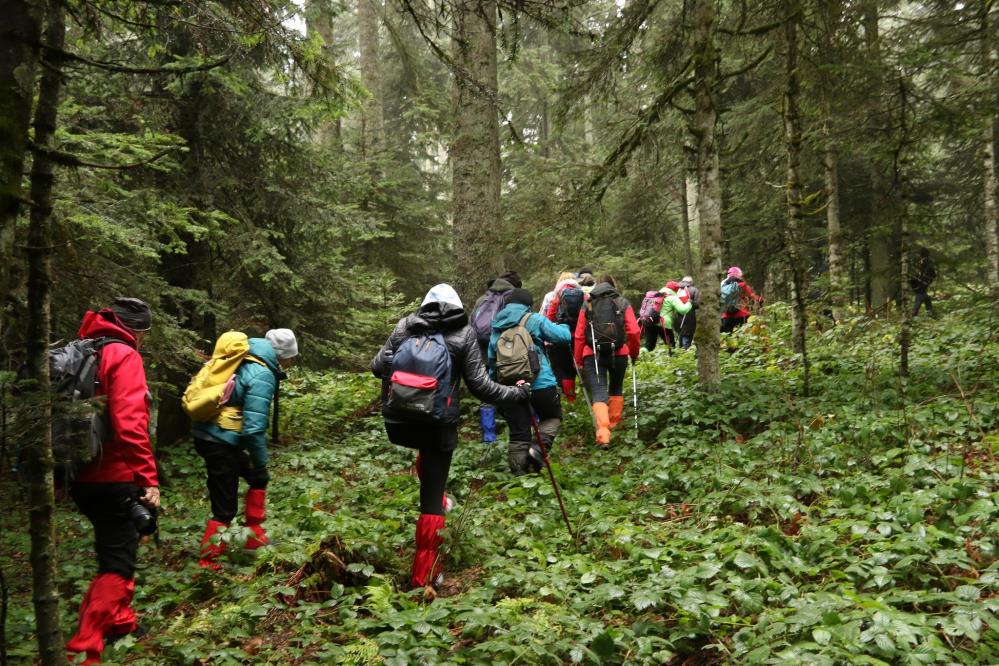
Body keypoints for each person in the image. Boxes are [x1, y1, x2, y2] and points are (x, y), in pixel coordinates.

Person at [372, 284, 529, 588]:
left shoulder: (406, 325)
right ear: (458, 307)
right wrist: (516, 393)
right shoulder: (463, 333)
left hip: (399, 421)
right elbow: (481, 387)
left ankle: (442, 501)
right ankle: (425, 575)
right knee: (429, 498)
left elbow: (377, 366)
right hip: (437, 424)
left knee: (428, 469)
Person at [66, 298, 160, 664]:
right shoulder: (123, 355)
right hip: (114, 475)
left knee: (114, 545)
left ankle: (121, 621)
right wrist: (147, 478)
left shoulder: (84, 349)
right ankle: (86, 644)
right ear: (135, 329)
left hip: (80, 473)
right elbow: (129, 423)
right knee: (118, 562)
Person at [193, 328, 298, 570]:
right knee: (225, 505)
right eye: (292, 357)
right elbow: (253, 428)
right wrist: (260, 462)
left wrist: (257, 469)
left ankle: (254, 537)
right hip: (219, 441)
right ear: (283, 356)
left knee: (256, 479)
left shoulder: (246, 360)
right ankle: (208, 563)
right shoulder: (262, 373)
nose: (292, 362)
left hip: (215, 436)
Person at [487, 288, 572, 474]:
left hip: (509, 387)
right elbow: (563, 337)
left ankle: (519, 474)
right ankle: (537, 449)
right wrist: (564, 326)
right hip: (541, 383)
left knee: (518, 433)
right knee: (552, 417)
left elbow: (492, 361)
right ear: (528, 304)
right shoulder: (533, 319)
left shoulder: (496, 327)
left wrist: (498, 387)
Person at [573, 276, 641, 447]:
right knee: (616, 389)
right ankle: (613, 427)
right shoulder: (622, 302)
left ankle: (603, 434)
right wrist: (634, 353)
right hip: (619, 353)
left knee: (598, 392)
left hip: (592, 354)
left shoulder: (587, 303)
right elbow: (633, 331)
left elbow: (579, 335)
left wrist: (578, 359)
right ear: (613, 286)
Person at [471, 271, 521, 444]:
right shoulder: (514, 300)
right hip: (510, 356)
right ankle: (517, 433)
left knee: (487, 394)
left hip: (484, 355)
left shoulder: (482, 300)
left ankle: (488, 437)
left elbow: (473, 327)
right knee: (514, 390)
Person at [544, 273, 584, 401]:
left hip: (561, 337)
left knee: (566, 371)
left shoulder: (554, 295)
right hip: (579, 337)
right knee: (580, 367)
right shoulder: (582, 293)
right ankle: (589, 397)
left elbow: (549, 317)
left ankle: (571, 400)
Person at [720, 266, 762, 333]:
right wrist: (760, 299)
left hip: (726, 318)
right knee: (743, 338)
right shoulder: (742, 285)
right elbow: (752, 296)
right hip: (742, 316)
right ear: (739, 275)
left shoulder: (723, 287)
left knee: (727, 339)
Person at [675, 276, 700, 349]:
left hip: (677, 316)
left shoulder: (677, 290)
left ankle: (680, 352)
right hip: (689, 316)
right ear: (691, 282)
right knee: (687, 335)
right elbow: (697, 304)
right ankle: (685, 351)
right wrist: (691, 302)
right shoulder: (694, 290)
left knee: (681, 334)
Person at [910, 248, 936, 316]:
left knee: (920, 296)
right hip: (922, 282)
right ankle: (929, 312)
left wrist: (920, 277)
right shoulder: (925, 262)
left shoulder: (926, 262)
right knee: (925, 296)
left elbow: (930, 274)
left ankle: (914, 312)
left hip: (922, 282)